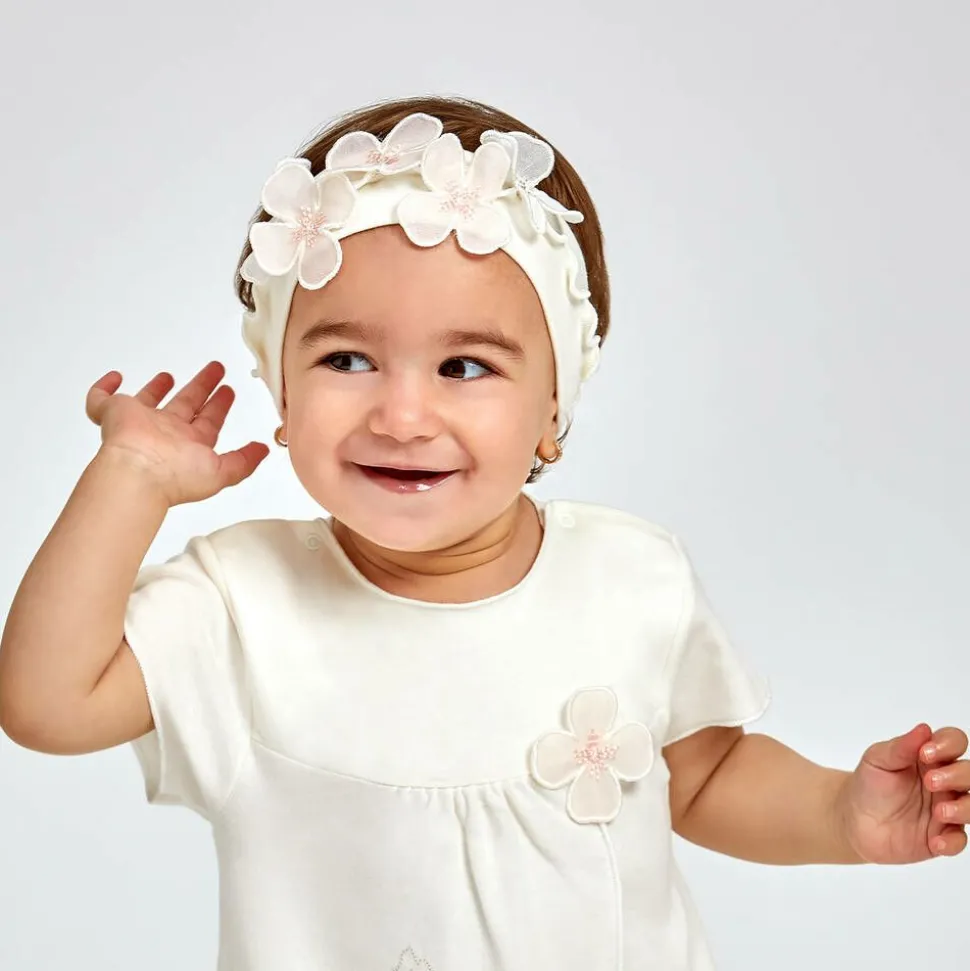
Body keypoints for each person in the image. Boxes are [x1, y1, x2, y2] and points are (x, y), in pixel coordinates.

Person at [0, 95, 966, 971]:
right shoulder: (241, 602)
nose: (402, 415)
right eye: (347, 359)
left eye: (464, 367)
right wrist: (129, 480)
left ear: (553, 409)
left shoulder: (631, 577)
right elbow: (46, 703)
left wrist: (841, 813)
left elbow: (704, 776)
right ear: (282, 388)